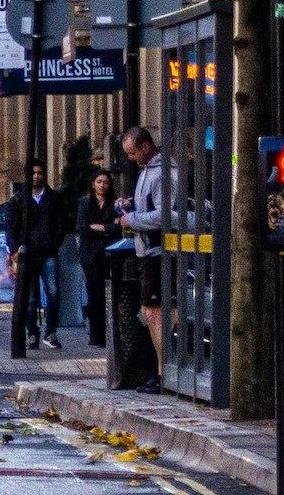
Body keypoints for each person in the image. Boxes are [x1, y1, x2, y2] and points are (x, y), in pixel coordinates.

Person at [119, 126, 173, 393]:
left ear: (145, 147)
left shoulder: (162, 172)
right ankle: (162, 371)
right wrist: (132, 205)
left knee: (156, 313)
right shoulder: (147, 171)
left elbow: (168, 215)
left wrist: (131, 220)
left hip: (160, 252)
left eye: (132, 152)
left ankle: (165, 374)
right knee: (150, 313)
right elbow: (151, 207)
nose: (130, 158)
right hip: (148, 252)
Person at [4, 160, 66, 349]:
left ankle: (51, 331)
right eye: (33, 173)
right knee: (30, 296)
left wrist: (54, 243)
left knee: (53, 292)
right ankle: (32, 333)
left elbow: (61, 224)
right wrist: (14, 249)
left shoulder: (54, 198)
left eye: (40, 172)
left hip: (48, 252)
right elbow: (10, 227)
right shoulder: (18, 199)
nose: (37, 176)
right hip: (27, 253)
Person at [77, 170, 121, 348]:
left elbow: (120, 228)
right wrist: (108, 228)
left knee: (111, 295)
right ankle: (96, 335)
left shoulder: (115, 204)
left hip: (111, 254)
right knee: (94, 296)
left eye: (106, 182)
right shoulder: (86, 204)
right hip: (90, 256)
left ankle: (112, 334)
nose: (103, 185)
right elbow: (83, 228)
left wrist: (101, 227)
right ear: (93, 183)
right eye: (99, 182)